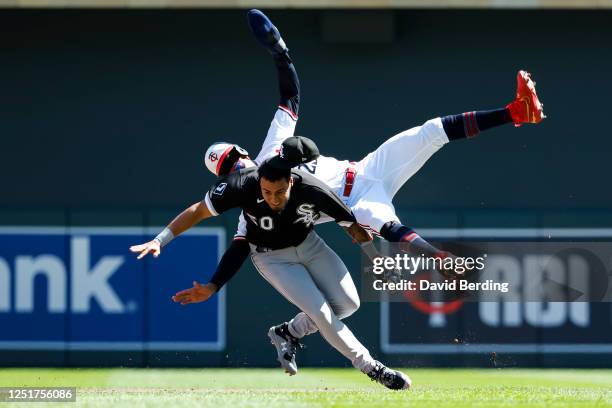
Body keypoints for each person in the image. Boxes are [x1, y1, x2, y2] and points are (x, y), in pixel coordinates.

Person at [172, 8, 546, 375]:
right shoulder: (250, 203)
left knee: (431, 131)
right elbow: (389, 232)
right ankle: (316, 334)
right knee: (378, 243)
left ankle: (516, 112)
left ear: (240, 151)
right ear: (224, 178)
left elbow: (290, 98)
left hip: (367, 167)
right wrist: (434, 256)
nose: (236, 166)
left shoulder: (272, 147)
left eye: (233, 158)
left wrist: (279, 51)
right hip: (355, 203)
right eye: (227, 169)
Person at [130, 134, 412, 391]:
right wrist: (160, 240)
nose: (273, 199)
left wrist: (379, 262)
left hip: (309, 245)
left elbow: (354, 228)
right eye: (266, 192)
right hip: (272, 258)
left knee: (348, 304)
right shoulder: (240, 185)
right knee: (321, 312)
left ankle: (288, 332)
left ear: (292, 180)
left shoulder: (313, 188)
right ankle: (373, 368)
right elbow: (198, 212)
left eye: (279, 192)